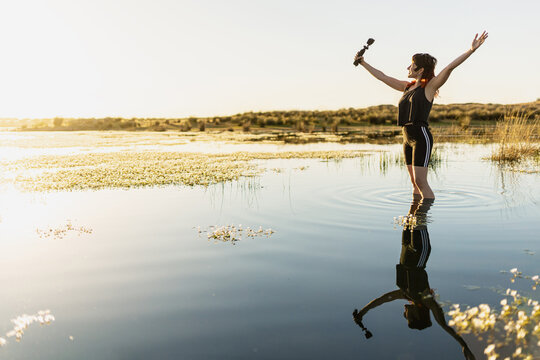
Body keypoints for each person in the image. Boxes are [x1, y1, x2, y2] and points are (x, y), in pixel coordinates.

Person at [355, 31, 488, 199]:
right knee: (414, 183)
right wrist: (363, 63)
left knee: (421, 182)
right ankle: (413, 221)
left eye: (411, 65)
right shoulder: (407, 87)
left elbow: (449, 68)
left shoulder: (430, 87)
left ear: (420, 70)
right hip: (406, 137)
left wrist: (471, 50)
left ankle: (424, 221)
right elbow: (382, 77)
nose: (408, 68)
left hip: (421, 136)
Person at [352, 199, 476, 360]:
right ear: (417, 315)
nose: (404, 315)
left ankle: (420, 189)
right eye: (408, 317)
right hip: (419, 250)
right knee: (420, 213)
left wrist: (363, 312)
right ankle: (428, 195)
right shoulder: (427, 300)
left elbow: (380, 300)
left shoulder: (404, 294)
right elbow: (444, 325)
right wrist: (463, 345)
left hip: (406, 246)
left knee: (412, 211)